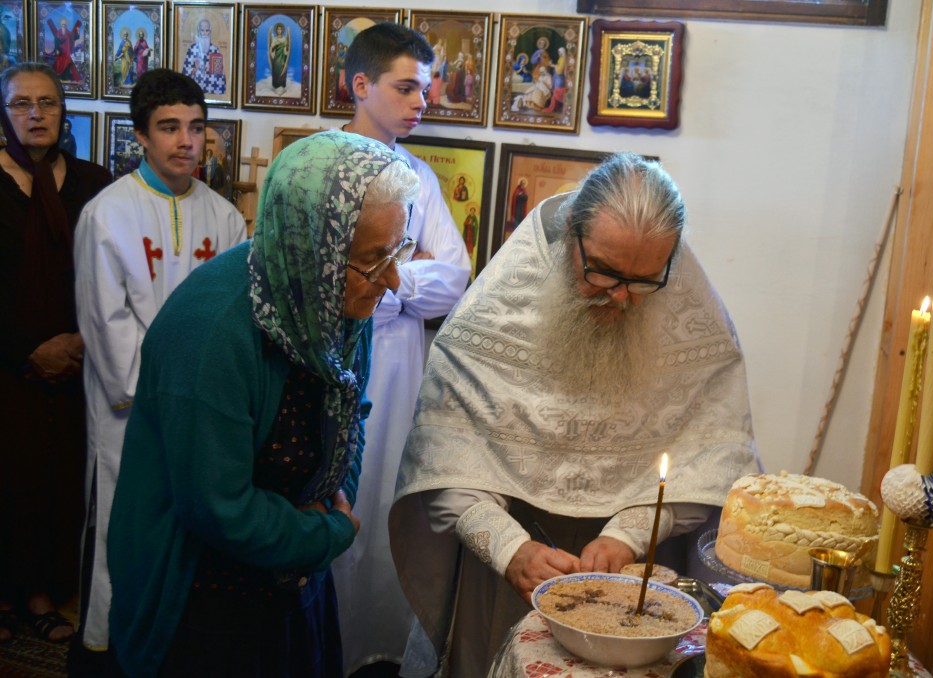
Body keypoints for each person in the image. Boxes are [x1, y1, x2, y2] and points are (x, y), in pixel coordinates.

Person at [390, 152, 762, 677]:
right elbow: (442, 458)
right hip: (507, 576)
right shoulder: (492, 316)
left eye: (644, 281)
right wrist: (509, 548)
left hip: (635, 577)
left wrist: (630, 532)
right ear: (571, 236)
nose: (621, 297)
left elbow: (716, 462)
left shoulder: (695, 321)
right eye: (603, 272)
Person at [104, 129, 420, 677]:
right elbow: (216, 507)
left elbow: (351, 408)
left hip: (293, 576)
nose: (391, 280)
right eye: (374, 260)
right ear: (313, 249)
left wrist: (333, 496)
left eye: (398, 250)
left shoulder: (336, 297)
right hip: (206, 602)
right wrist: (328, 531)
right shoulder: (210, 333)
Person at [71, 68, 247, 673]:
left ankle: (175, 643)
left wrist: (202, 390)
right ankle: (108, 646)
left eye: (196, 127)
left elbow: (231, 317)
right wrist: (157, 390)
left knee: (189, 524)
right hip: (132, 407)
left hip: (198, 404)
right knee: (123, 524)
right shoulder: (106, 214)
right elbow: (105, 319)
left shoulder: (224, 217)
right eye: (169, 128)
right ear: (141, 136)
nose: (186, 141)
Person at [331, 21, 471, 676]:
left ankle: (379, 647)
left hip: (398, 366)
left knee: (388, 498)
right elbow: (324, 282)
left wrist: (384, 284)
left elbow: (455, 277)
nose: (421, 102)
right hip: (332, 359)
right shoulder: (321, 164)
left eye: (426, 90)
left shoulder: (418, 176)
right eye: (406, 87)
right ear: (361, 85)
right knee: (334, 496)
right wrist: (403, 276)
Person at [0, 61, 111, 645]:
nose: (36, 114)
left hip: (77, 358)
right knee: (10, 479)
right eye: (21, 103)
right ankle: (10, 595)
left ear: (64, 112)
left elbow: (112, 271)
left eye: (47, 102)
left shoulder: (93, 182)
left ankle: (46, 591)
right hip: (8, 364)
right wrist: (26, 350)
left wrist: (82, 339)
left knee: (60, 480)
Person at [182, 17, 226, 95]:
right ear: (198, 31)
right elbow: (185, 72)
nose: (205, 33)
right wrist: (195, 69)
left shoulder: (215, 50)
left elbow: (219, 75)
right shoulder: (192, 49)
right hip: (195, 88)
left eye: (207, 30)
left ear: (210, 31)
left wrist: (210, 70)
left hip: (210, 87)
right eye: (202, 30)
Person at [46, 16, 82, 83]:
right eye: (62, 24)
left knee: (66, 66)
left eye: (65, 24)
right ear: (60, 24)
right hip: (60, 53)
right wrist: (56, 50)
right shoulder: (58, 33)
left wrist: (78, 31)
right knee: (59, 65)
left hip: (67, 53)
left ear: (66, 25)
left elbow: (75, 37)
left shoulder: (69, 33)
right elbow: (56, 42)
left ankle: (66, 79)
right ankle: (59, 78)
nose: (63, 25)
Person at [268, 22, 290, 95]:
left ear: (282, 30)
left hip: (283, 58)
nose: (279, 31)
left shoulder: (284, 39)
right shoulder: (274, 39)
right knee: (276, 70)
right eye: (278, 29)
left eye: (280, 29)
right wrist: (275, 45)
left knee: (282, 70)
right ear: (276, 30)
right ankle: (276, 85)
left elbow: (287, 49)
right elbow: (271, 49)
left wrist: (286, 47)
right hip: (276, 58)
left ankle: (282, 85)